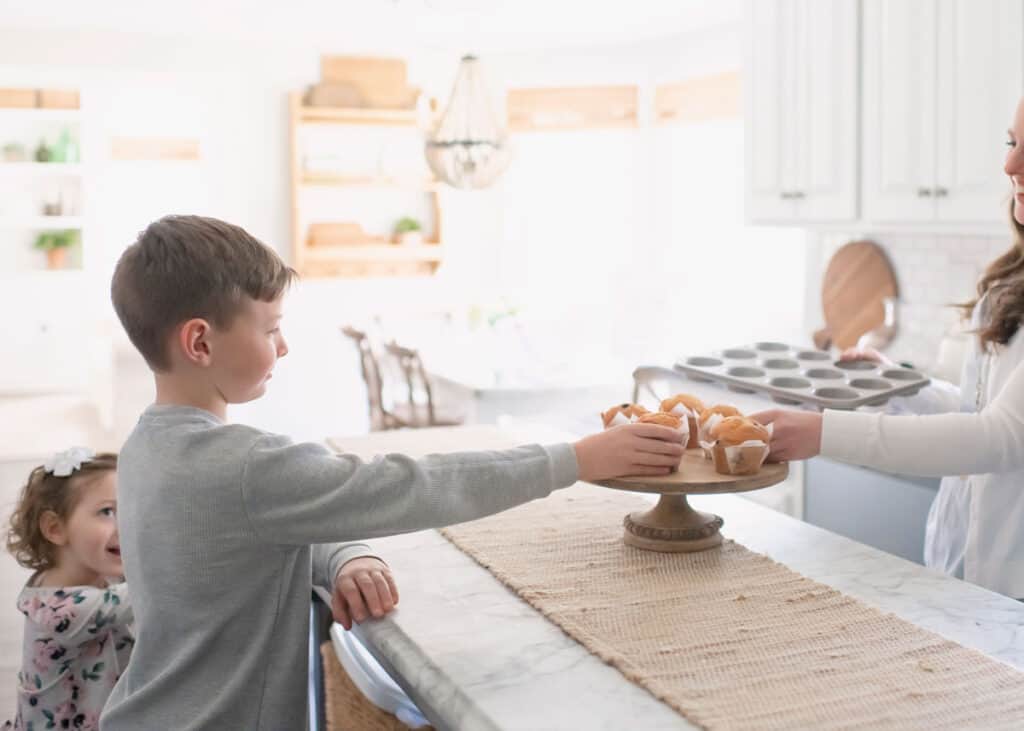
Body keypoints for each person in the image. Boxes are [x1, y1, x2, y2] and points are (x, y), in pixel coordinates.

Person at [101, 214, 685, 730]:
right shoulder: (248, 466)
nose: (283, 347)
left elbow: (234, 546)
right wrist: (576, 458)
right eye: (271, 327)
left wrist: (342, 554)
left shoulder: (146, 448)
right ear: (200, 341)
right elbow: (409, 485)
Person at [754, 96, 1024, 600]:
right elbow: (980, 409)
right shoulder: (1009, 279)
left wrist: (822, 432)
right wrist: (903, 384)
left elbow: (999, 438)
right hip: (963, 567)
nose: (1009, 165)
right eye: (1012, 144)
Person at [4, 449, 131, 731]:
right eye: (107, 511)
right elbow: (155, 591)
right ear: (54, 528)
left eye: (130, 509)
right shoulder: (65, 610)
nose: (126, 523)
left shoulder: (80, 576)